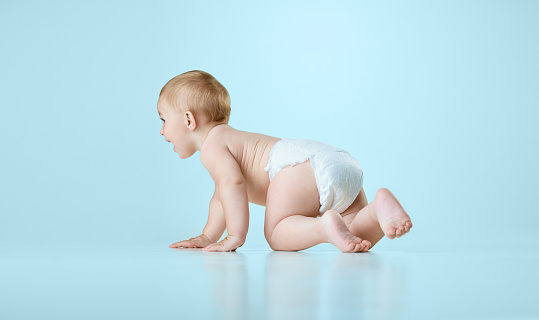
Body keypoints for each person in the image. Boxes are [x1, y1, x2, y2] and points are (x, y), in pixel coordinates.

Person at [160, 70, 412, 252]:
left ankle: (323, 227)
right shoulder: (228, 141)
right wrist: (208, 236)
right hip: (338, 162)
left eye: (163, 120)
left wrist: (235, 235)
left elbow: (233, 184)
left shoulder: (212, 146)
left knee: (277, 234)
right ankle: (378, 209)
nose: (162, 131)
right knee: (353, 231)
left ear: (189, 120)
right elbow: (221, 197)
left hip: (295, 167)